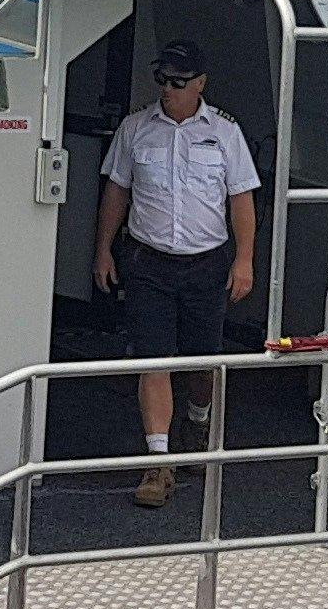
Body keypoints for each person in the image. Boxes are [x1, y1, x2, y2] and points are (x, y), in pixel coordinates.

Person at [91, 36, 261, 510]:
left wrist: (244, 260)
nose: (168, 89)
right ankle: (158, 462)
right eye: (162, 80)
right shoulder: (135, 129)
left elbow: (241, 200)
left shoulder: (226, 134)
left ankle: (198, 419)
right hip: (148, 263)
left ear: (201, 84)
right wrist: (103, 251)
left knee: (202, 362)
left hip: (207, 263)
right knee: (154, 359)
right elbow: (116, 194)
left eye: (179, 82)